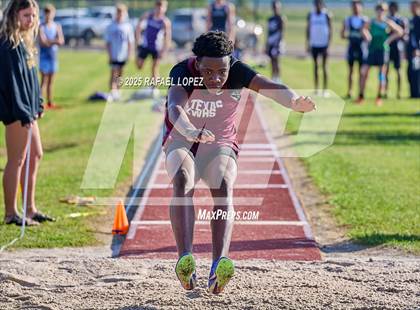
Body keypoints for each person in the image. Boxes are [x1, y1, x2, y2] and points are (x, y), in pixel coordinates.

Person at [164, 31, 316, 294]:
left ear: (229, 64)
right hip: (183, 139)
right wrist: (189, 131)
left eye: (221, 71)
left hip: (220, 142)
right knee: (182, 179)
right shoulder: (181, 71)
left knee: (223, 184)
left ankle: (218, 264)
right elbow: (174, 106)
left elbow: (270, 86)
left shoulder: (237, 71)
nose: (215, 78)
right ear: (196, 62)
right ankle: (185, 260)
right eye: (208, 71)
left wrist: (292, 101)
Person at [0, 0, 54, 226]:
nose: (30, 20)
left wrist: (39, 103)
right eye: (25, 15)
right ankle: (11, 213)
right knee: (17, 160)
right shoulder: (7, 44)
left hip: (29, 112)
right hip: (16, 112)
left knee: (35, 155)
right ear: (14, 15)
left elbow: (31, 80)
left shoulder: (27, 40)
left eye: (33, 15)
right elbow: (11, 84)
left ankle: (30, 208)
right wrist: (23, 112)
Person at [358, 2, 403, 106]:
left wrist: (388, 40)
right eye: (378, 9)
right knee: (364, 72)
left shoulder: (387, 22)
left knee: (381, 75)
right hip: (372, 49)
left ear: (385, 11)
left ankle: (379, 97)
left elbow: (399, 31)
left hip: (382, 50)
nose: (380, 11)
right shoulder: (372, 21)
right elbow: (363, 29)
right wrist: (368, 37)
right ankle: (361, 96)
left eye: (382, 9)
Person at [135, 0, 171, 96]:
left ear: (165, 8)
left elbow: (167, 38)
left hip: (156, 48)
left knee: (155, 67)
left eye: (161, 7)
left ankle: (154, 87)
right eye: (158, 7)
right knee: (139, 66)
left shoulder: (165, 21)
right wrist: (138, 39)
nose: (159, 9)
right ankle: (137, 57)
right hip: (145, 45)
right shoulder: (149, 15)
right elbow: (138, 25)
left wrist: (164, 50)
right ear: (155, 7)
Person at [104, 3, 134, 102]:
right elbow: (108, 42)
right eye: (118, 12)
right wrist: (109, 54)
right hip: (114, 54)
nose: (120, 14)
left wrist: (130, 54)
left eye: (122, 12)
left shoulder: (128, 26)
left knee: (121, 74)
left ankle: (118, 91)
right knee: (113, 73)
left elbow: (130, 42)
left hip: (123, 54)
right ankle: (112, 92)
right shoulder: (111, 26)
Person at [341, 0, 368, 99]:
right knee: (351, 71)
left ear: (361, 7)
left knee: (362, 71)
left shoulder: (365, 20)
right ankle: (350, 91)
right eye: (354, 7)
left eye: (357, 6)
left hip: (362, 48)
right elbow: (342, 35)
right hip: (352, 48)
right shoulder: (347, 20)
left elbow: (368, 35)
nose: (356, 8)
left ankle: (361, 92)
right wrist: (350, 36)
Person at [38, 3, 64, 109]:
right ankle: (39, 103)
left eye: (50, 13)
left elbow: (61, 41)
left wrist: (51, 41)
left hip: (53, 57)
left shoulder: (57, 26)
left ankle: (49, 102)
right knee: (43, 81)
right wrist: (55, 41)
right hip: (44, 57)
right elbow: (43, 42)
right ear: (44, 14)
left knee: (51, 82)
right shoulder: (41, 26)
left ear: (54, 14)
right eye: (46, 13)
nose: (48, 15)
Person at [306, 0, 332, 97]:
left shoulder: (326, 15)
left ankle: (325, 90)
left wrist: (328, 44)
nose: (318, 5)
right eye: (316, 3)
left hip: (324, 44)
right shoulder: (311, 15)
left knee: (325, 67)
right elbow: (308, 29)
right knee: (315, 66)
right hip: (314, 44)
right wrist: (307, 43)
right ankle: (316, 89)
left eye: (319, 3)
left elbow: (330, 30)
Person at [386, 1, 408, 99]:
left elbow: (405, 33)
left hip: (398, 47)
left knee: (398, 69)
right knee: (385, 69)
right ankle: (385, 90)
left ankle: (399, 92)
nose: (391, 9)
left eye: (393, 7)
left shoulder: (401, 20)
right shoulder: (387, 19)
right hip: (387, 47)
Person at [266, 0, 286, 83]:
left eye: (276, 7)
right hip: (271, 42)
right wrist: (267, 43)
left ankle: (278, 79)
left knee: (277, 60)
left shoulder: (281, 18)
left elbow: (282, 32)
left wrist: (278, 44)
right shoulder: (270, 19)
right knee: (272, 61)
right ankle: (273, 78)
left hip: (277, 42)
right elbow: (268, 32)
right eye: (274, 7)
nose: (275, 9)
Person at [406, 0, 420, 98]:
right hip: (410, 51)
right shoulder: (412, 19)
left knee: (416, 73)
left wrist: (417, 49)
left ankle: (417, 94)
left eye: (413, 6)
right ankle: (413, 93)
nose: (411, 8)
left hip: (417, 51)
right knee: (410, 72)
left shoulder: (419, 19)